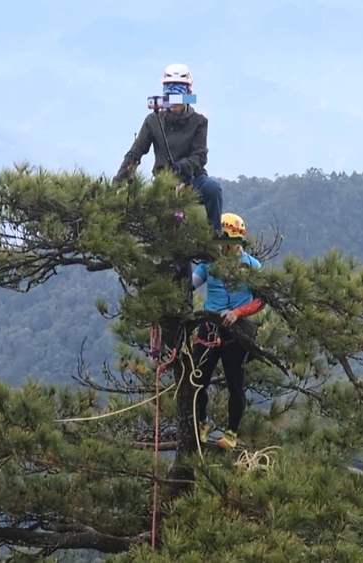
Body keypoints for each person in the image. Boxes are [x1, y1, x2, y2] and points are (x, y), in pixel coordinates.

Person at [112, 63, 228, 240]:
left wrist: (181, 167)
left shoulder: (199, 121)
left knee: (213, 189)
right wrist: (116, 187)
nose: (173, 100)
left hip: (192, 179)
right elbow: (135, 153)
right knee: (168, 234)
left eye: (178, 94)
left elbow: (200, 155)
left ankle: (214, 238)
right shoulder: (153, 120)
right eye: (169, 94)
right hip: (164, 184)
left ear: (188, 94)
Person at [189, 212, 265, 450]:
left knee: (235, 383)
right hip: (209, 327)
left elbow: (260, 300)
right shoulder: (209, 263)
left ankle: (231, 433)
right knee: (197, 378)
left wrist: (238, 313)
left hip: (236, 331)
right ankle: (201, 422)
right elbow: (191, 284)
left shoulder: (252, 266)